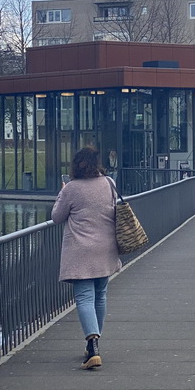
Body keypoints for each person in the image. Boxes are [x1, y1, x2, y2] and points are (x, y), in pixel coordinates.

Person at [51, 146, 121, 369]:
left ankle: (92, 347)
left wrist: (62, 192)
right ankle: (94, 344)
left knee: (84, 297)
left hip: (81, 250)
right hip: (106, 247)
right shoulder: (109, 183)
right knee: (100, 295)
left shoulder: (71, 189)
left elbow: (56, 217)